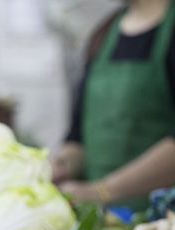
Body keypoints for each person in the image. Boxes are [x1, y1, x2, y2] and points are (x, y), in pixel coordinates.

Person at [53, 0, 175, 211]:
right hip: (104, 222)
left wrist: (102, 191)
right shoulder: (104, 34)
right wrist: (61, 166)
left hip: (162, 224)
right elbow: (77, 137)